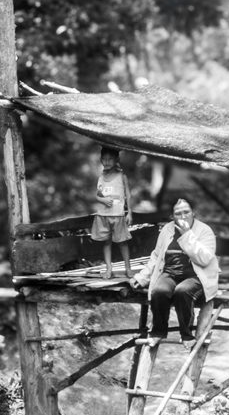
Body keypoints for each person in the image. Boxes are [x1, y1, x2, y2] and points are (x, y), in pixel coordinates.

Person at [130, 198, 219, 346]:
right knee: (159, 291)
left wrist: (187, 234)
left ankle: (186, 335)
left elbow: (204, 259)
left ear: (193, 213)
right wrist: (142, 277)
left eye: (186, 212)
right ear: (172, 216)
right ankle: (158, 332)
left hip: (197, 275)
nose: (183, 216)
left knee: (182, 291)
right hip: (170, 272)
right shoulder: (167, 229)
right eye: (178, 213)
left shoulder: (205, 230)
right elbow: (156, 255)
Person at [91, 146, 133, 278]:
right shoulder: (101, 177)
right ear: (101, 160)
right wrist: (103, 201)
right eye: (104, 159)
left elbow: (128, 195)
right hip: (103, 215)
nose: (107, 162)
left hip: (118, 215)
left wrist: (129, 212)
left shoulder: (121, 176)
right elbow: (97, 195)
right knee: (106, 242)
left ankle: (128, 267)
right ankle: (109, 268)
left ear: (116, 159)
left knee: (122, 242)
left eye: (110, 159)